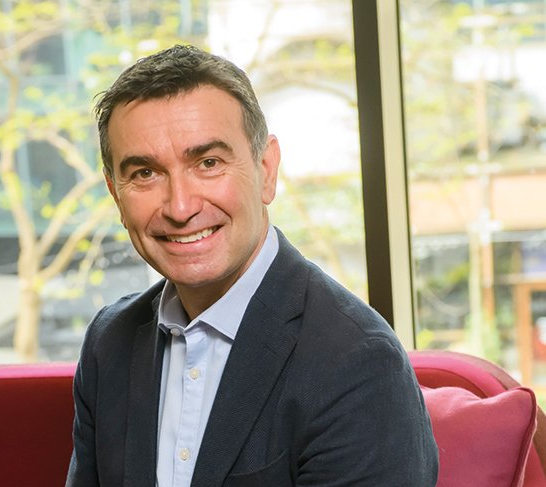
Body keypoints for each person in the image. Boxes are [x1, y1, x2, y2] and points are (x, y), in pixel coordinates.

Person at [66, 44, 438, 487]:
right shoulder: (109, 343)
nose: (180, 207)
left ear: (266, 170)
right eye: (145, 173)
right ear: (115, 193)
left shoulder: (358, 362)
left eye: (208, 163)